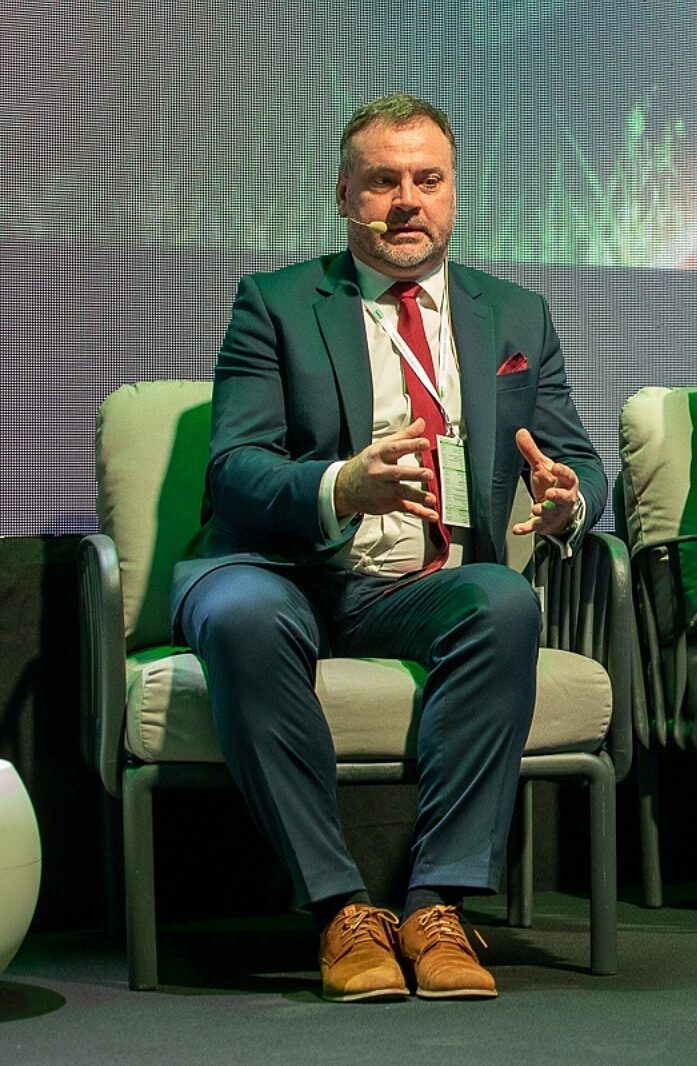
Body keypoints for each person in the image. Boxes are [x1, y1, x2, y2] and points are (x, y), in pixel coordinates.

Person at [171, 94, 607, 1001]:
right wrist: (340, 487)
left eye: (428, 179)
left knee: (502, 599)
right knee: (242, 615)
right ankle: (339, 909)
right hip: (284, 569)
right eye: (383, 181)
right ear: (345, 196)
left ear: (454, 193)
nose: (407, 200)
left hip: (420, 585)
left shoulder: (515, 315)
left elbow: (580, 463)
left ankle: (437, 904)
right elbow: (235, 470)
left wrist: (569, 502)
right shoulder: (276, 304)